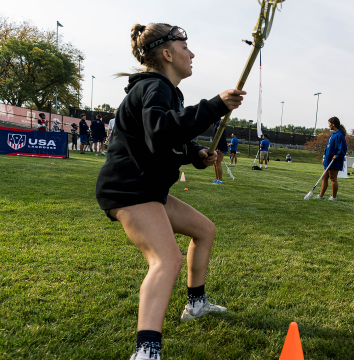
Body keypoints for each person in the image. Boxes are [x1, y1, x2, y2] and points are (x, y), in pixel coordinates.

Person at [94, 23, 245, 360]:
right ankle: (146, 351)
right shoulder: (154, 86)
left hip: (149, 189)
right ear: (167, 53)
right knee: (166, 260)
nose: (191, 54)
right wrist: (214, 106)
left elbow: (168, 138)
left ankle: (196, 305)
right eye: (185, 47)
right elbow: (159, 133)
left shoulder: (165, 92)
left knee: (204, 230)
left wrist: (196, 155)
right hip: (130, 190)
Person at [314, 116, 347, 201]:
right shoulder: (333, 134)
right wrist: (324, 157)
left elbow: (343, 148)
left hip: (334, 160)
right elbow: (327, 147)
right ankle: (321, 195)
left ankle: (334, 197)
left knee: (333, 178)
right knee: (324, 177)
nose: (328, 126)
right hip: (328, 160)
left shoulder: (339, 135)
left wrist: (338, 155)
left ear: (333, 124)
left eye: (329, 124)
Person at [212, 120, 228, 184]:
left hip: (220, 147)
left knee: (218, 163)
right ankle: (217, 179)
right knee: (215, 163)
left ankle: (220, 180)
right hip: (217, 146)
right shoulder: (216, 123)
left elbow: (220, 135)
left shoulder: (219, 123)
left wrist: (218, 147)